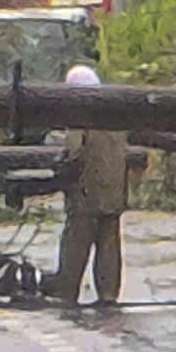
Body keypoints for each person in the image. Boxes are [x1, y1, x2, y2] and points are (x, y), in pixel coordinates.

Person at [47, 63, 130, 308]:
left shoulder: (79, 115)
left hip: (85, 193)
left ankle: (66, 294)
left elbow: (74, 152)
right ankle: (108, 295)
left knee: (76, 244)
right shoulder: (116, 116)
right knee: (109, 246)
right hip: (114, 192)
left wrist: (58, 166)